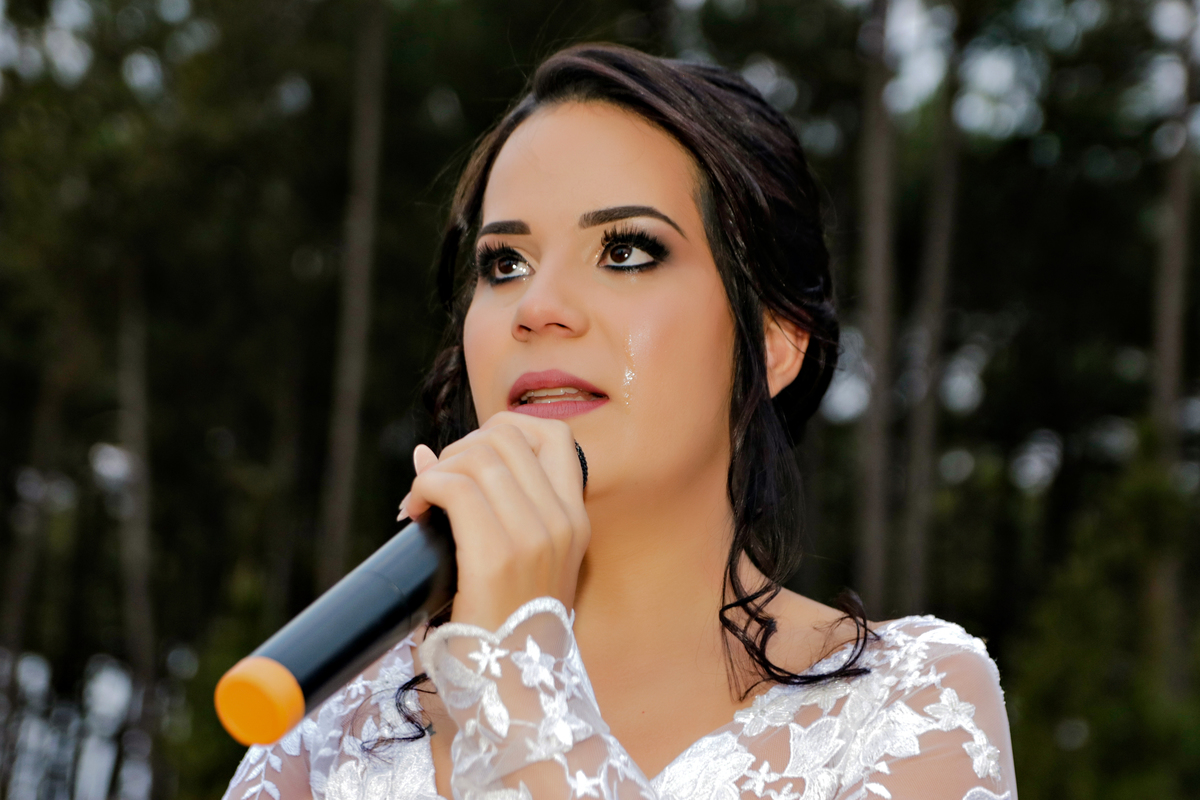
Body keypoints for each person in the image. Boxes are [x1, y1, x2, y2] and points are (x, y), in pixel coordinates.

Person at [222, 43, 1017, 800]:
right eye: (505, 263)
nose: (538, 308)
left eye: (627, 251)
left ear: (773, 344)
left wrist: (519, 678)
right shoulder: (330, 726)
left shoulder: (907, 705)